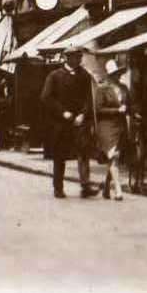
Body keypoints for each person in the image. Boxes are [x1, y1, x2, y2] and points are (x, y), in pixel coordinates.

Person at [40, 48, 96, 199]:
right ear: (67, 58)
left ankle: (85, 186)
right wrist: (62, 112)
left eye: (80, 57)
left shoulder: (84, 76)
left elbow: (89, 98)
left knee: (83, 152)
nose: (79, 60)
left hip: (79, 121)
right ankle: (58, 188)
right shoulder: (55, 76)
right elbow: (46, 97)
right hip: (61, 123)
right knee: (60, 155)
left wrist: (83, 114)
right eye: (75, 57)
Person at [95, 59, 131, 201]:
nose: (117, 76)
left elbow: (130, 104)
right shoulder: (102, 88)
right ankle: (118, 190)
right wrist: (117, 110)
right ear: (109, 75)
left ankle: (105, 189)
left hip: (121, 126)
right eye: (114, 74)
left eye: (118, 73)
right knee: (113, 157)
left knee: (114, 158)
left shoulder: (124, 88)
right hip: (106, 127)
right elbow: (99, 109)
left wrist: (133, 112)